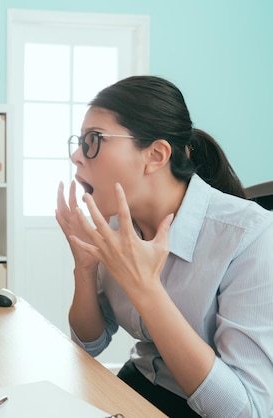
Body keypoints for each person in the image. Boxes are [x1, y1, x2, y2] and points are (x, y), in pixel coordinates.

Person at [55, 75, 273, 417]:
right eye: (78, 142)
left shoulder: (251, 236)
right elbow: (89, 344)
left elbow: (248, 411)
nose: (76, 157)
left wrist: (145, 289)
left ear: (155, 155)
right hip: (138, 383)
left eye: (93, 141)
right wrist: (85, 268)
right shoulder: (116, 225)